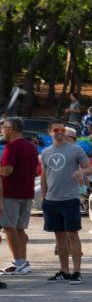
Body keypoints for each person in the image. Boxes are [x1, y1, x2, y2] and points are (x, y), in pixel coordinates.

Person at [38, 122, 91, 282]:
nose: (59, 133)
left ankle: (77, 272)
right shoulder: (46, 152)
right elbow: (43, 176)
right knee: (59, 237)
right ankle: (64, 271)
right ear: (50, 132)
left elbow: (88, 167)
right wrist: (44, 197)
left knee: (72, 235)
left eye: (62, 130)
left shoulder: (75, 149)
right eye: (56, 130)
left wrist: (81, 172)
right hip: (52, 200)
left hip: (70, 199)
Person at [1, 117, 39, 275]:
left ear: (10, 129)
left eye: (3, 128)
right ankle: (23, 262)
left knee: (9, 229)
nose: (2, 131)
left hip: (11, 193)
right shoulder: (31, 147)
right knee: (20, 228)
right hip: (27, 193)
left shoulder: (11, 147)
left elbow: (8, 170)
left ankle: (18, 262)